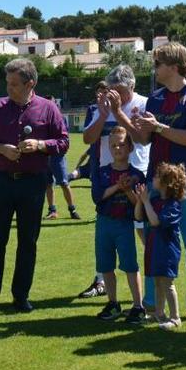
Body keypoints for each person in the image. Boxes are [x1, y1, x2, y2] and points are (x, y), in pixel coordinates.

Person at [0, 58, 69, 313]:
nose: (9, 88)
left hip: (33, 184)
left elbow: (63, 142)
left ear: (31, 83)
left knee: (28, 242)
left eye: (14, 84)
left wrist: (40, 145)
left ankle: (20, 296)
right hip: (2, 182)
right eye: (7, 83)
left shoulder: (48, 109)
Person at [131, 42, 186, 324]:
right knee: (155, 242)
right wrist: (128, 119)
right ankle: (154, 306)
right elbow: (144, 140)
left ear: (174, 67)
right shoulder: (154, 99)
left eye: (158, 64)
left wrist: (159, 127)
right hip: (157, 181)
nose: (154, 70)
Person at [92, 127, 146, 323]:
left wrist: (129, 190)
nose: (117, 148)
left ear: (130, 147)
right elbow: (98, 197)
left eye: (122, 144)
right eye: (113, 145)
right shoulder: (102, 172)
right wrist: (118, 187)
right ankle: (113, 303)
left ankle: (138, 306)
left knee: (130, 265)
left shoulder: (137, 175)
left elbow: (139, 205)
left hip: (124, 224)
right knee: (105, 265)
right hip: (104, 223)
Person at [134, 162, 186, 331]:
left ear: (166, 183)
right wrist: (140, 202)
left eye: (157, 176)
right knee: (157, 282)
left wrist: (146, 202)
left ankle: (175, 317)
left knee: (168, 284)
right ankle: (160, 313)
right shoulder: (155, 200)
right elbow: (138, 217)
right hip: (153, 248)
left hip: (167, 251)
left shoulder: (173, 205)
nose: (154, 178)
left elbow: (156, 222)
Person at [75, 80, 110, 299]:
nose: (101, 94)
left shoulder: (124, 107)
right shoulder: (93, 111)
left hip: (127, 173)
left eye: (105, 90)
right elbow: (89, 138)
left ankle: (157, 285)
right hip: (100, 173)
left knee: (141, 231)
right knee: (104, 231)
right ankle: (101, 280)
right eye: (99, 91)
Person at [45, 111, 80, 220]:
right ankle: (52, 210)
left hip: (57, 156)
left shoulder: (60, 119)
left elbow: (64, 139)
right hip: (44, 156)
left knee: (64, 183)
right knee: (48, 184)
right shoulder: (41, 119)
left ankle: (72, 210)